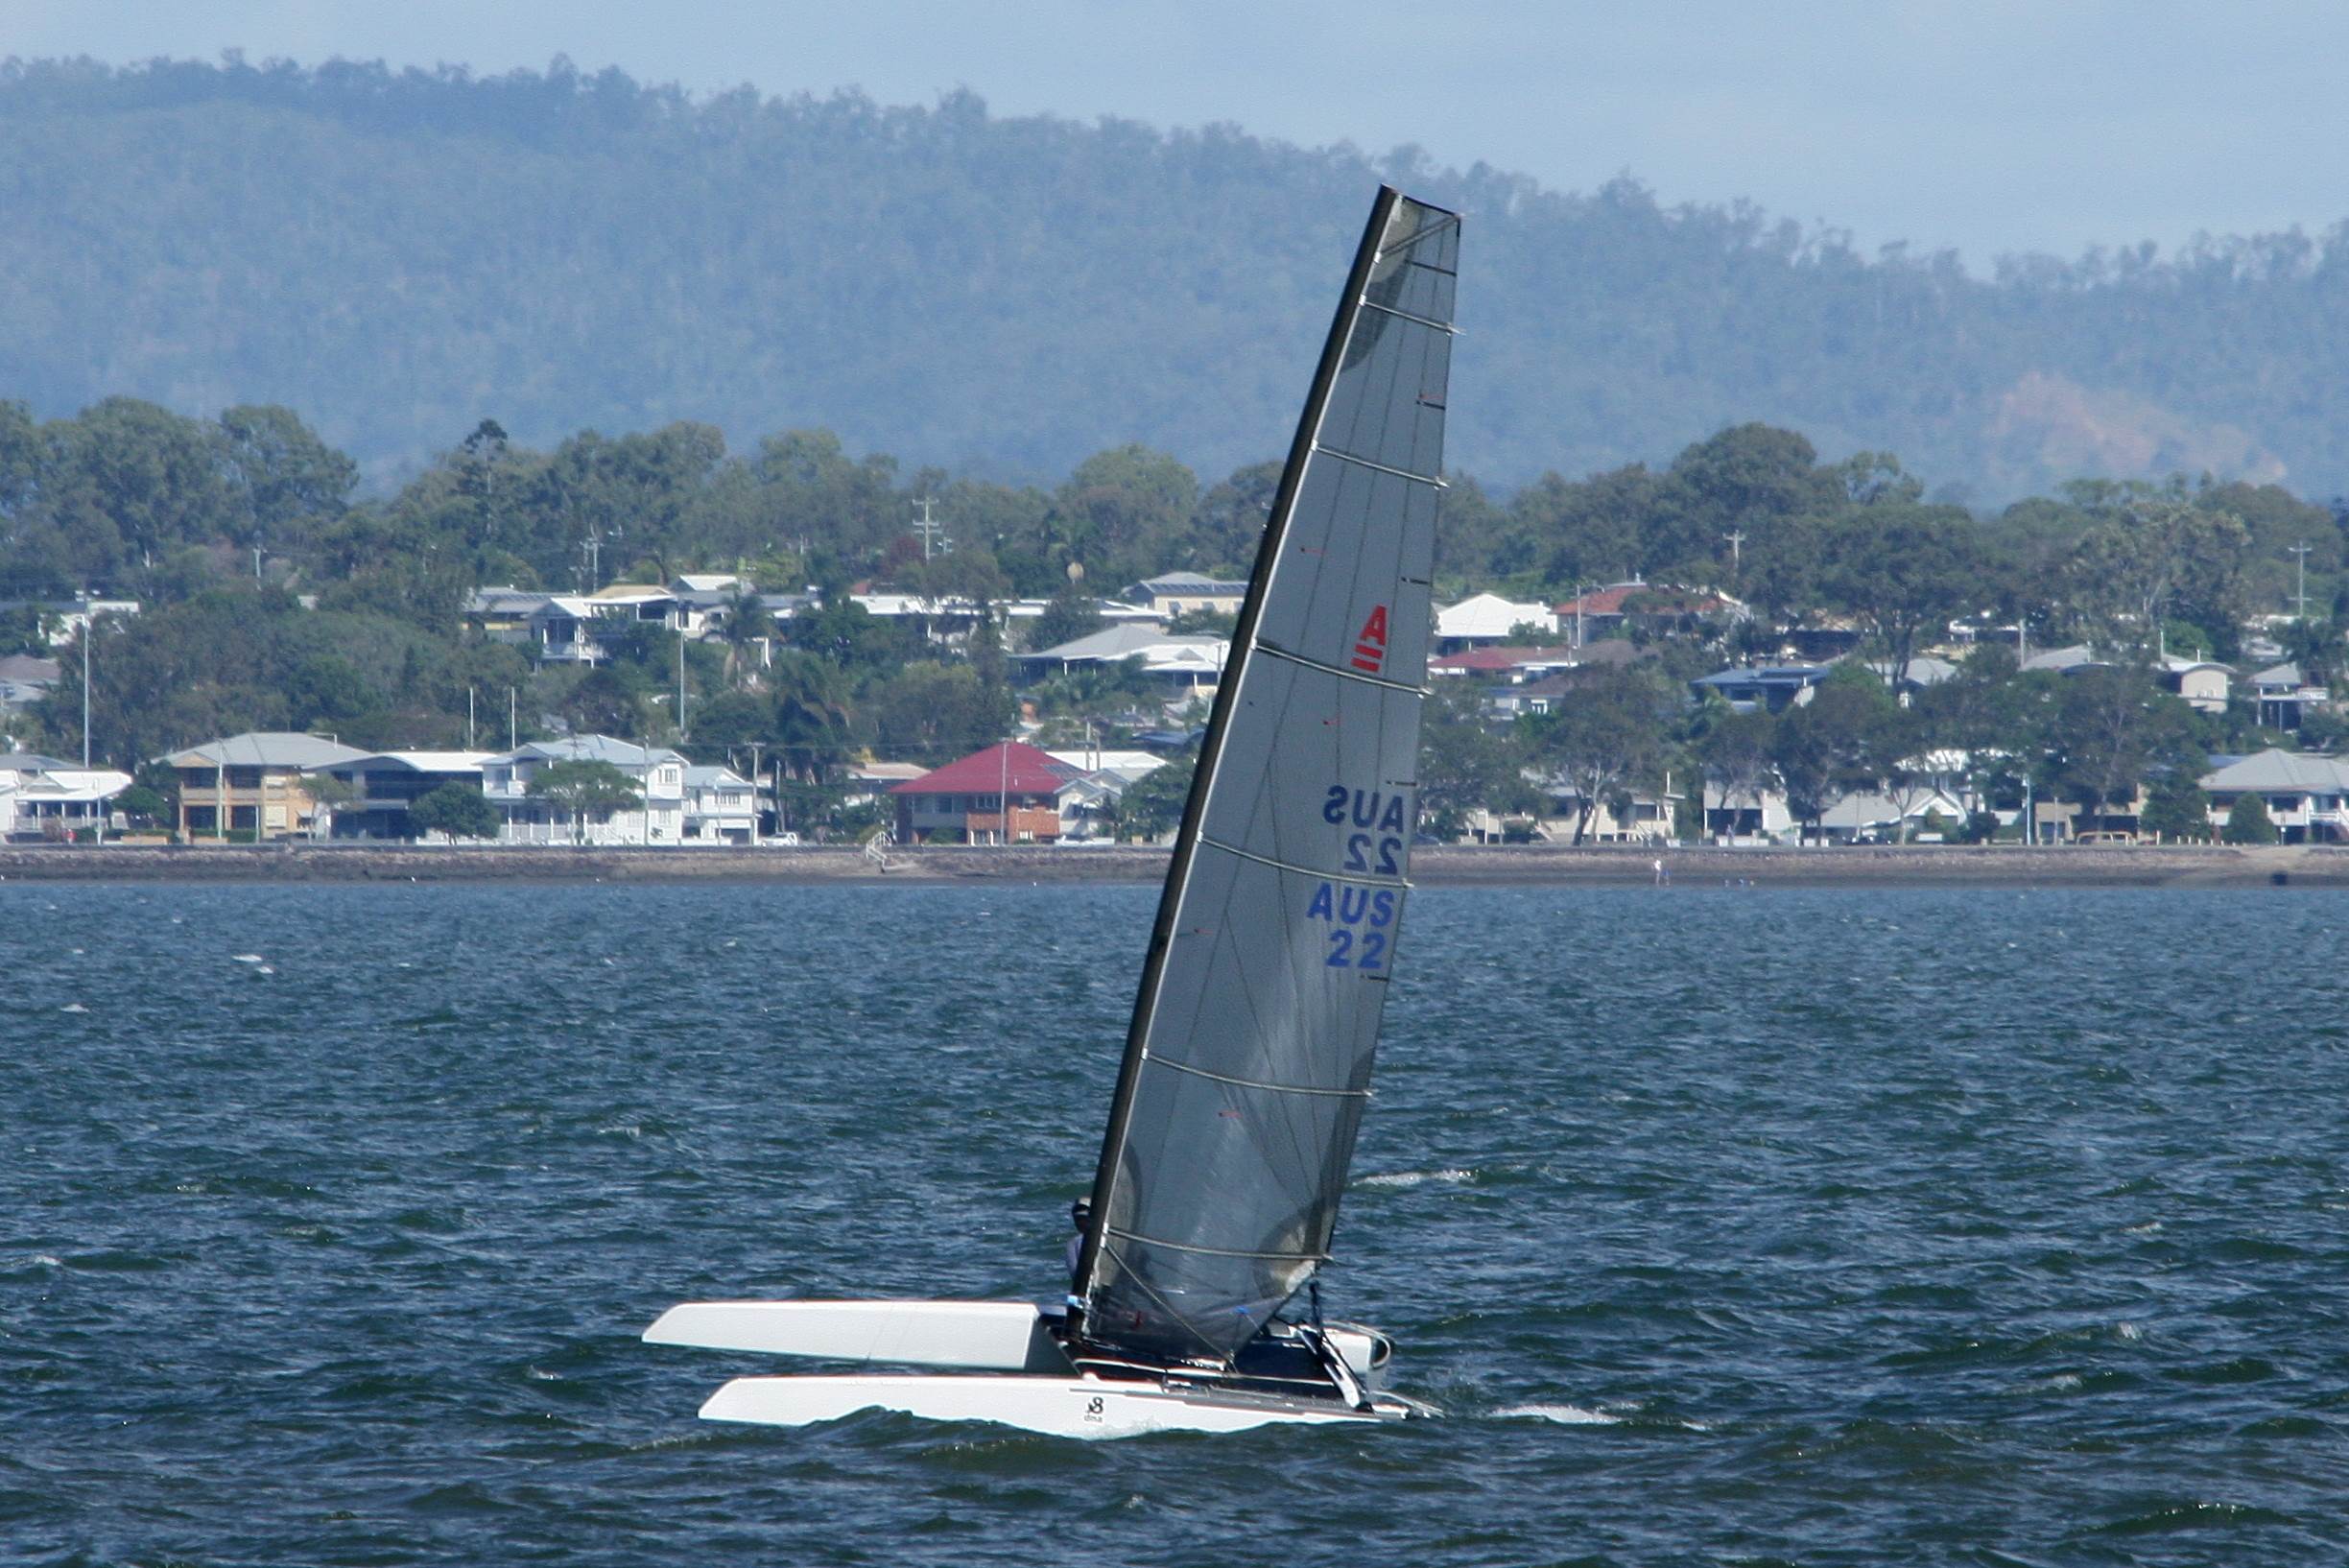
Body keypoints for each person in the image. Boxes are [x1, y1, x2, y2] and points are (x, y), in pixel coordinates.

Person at [1065, 1198, 1091, 1294]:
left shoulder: (1074, 1243)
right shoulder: (1073, 1243)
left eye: (1084, 1217)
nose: (1080, 1222)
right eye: (1077, 1219)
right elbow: (1076, 1275)